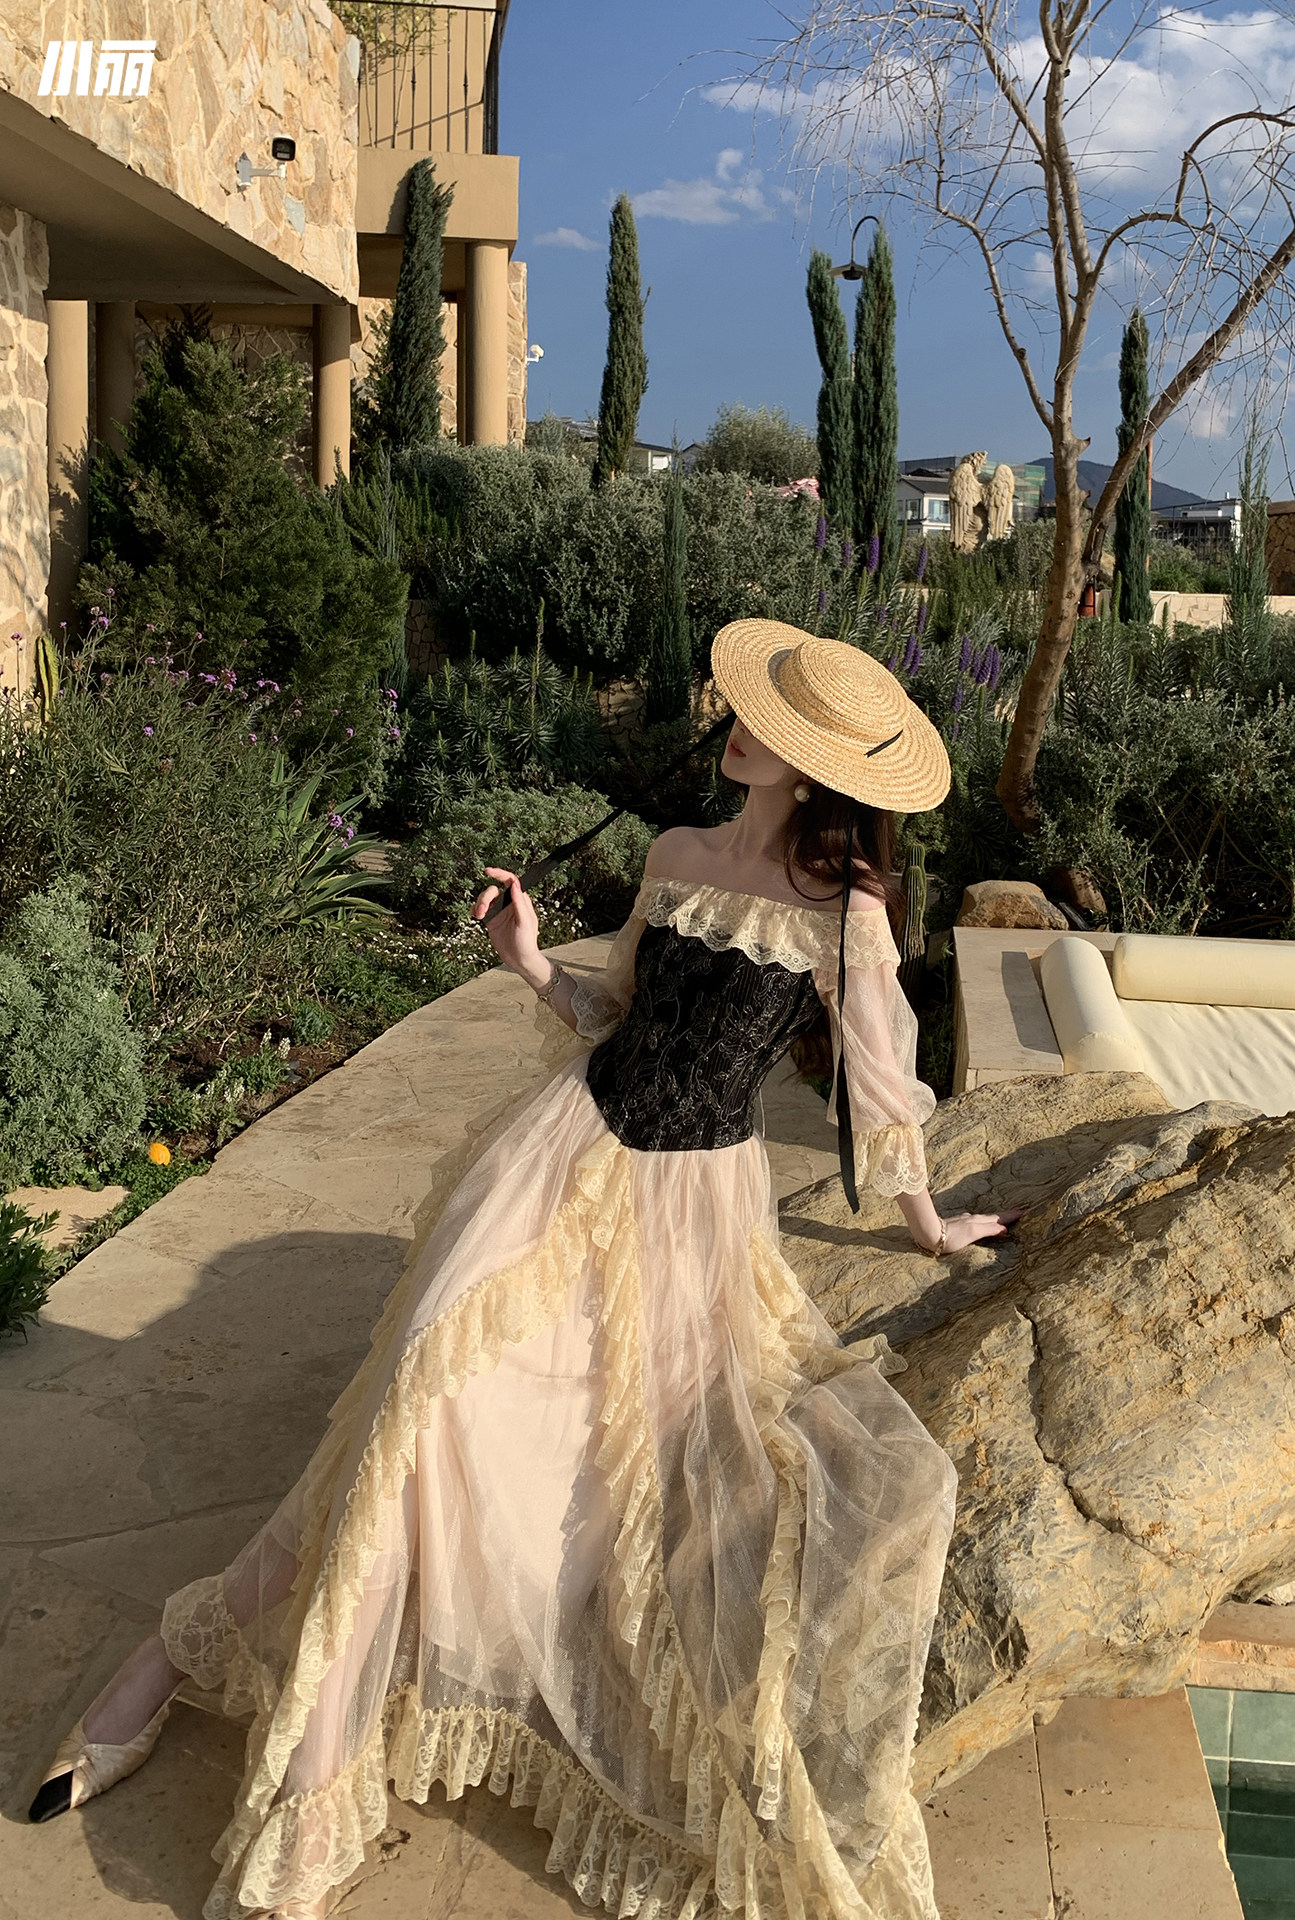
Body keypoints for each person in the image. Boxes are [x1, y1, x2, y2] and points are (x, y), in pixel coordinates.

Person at [29, 621, 1017, 1920]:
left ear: (816, 768)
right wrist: (533, 963)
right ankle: (279, 1766)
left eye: (765, 724)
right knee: (411, 1410)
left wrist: (931, 1222)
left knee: (521, 1476)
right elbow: (613, 1014)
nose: (733, 727)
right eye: (744, 708)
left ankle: (178, 1655)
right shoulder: (675, 855)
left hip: (688, 1221)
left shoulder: (848, 918)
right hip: (556, 1160)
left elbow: (882, 1088)